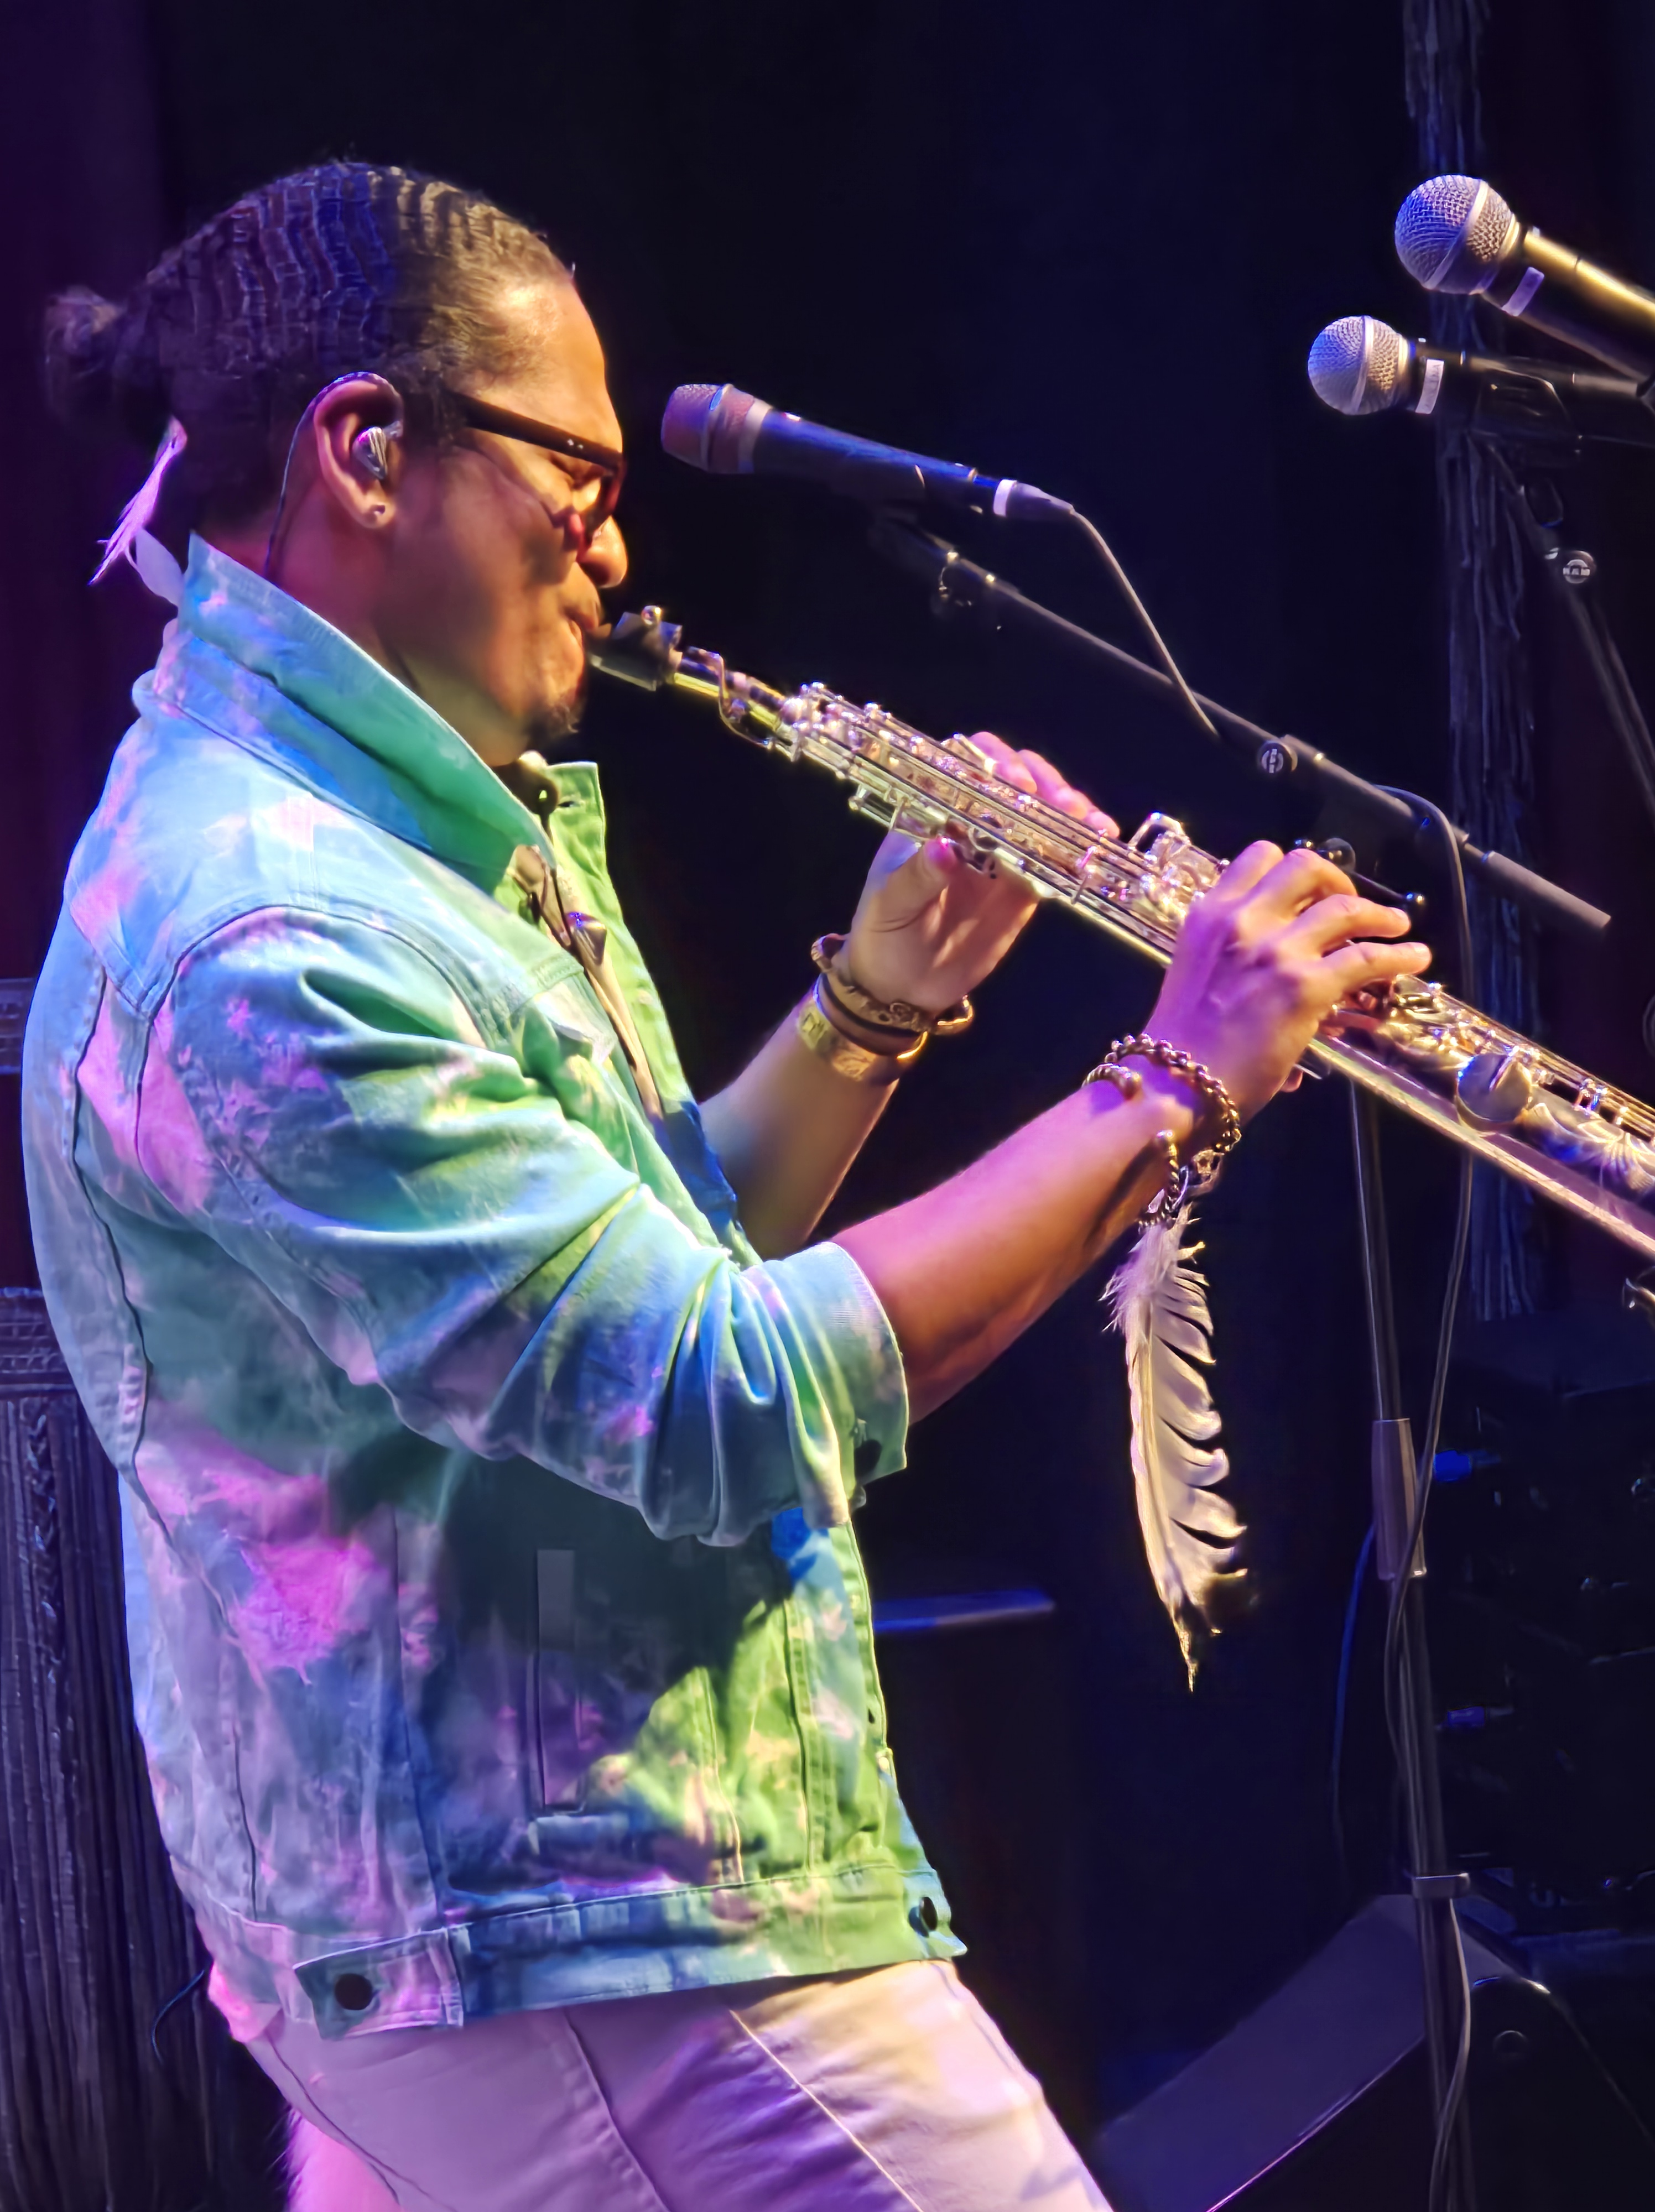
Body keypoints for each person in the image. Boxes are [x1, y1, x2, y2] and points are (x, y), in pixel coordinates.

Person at [24, 162, 1428, 2212]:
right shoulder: (275, 935)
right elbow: (713, 1395)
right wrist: (1177, 1079)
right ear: (366, 450)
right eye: (577, 481)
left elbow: (630, 1287)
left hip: (527, 1929)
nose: (613, 549)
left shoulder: (388, 828)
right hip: (592, 1948)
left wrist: (876, 1006)